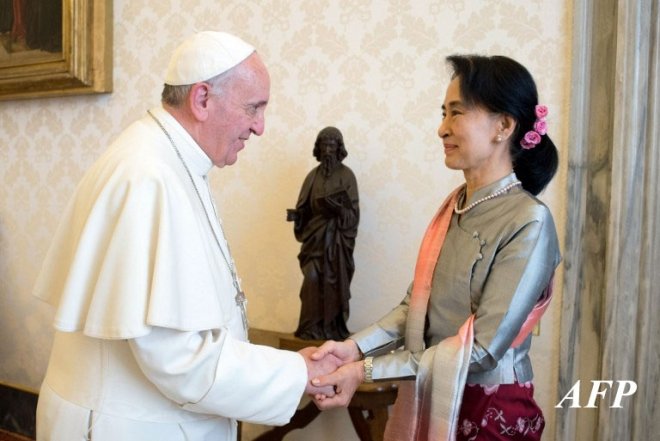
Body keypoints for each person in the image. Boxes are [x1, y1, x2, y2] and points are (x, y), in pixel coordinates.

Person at [33, 31, 340, 441]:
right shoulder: (150, 175)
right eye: (253, 108)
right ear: (202, 99)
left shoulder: (165, 158)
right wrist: (297, 372)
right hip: (123, 427)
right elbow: (178, 359)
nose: (260, 127)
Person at [310, 54, 561, 441]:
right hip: (434, 391)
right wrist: (353, 349)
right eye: (443, 113)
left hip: (491, 410)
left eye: (456, 113)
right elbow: (416, 309)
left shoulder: (529, 220)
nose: (441, 129)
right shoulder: (455, 205)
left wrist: (367, 371)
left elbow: (481, 352)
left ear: (504, 125)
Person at [287, 126, 359, 340]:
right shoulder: (312, 177)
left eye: (332, 145)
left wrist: (340, 210)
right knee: (311, 278)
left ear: (339, 148)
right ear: (318, 148)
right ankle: (310, 329)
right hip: (314, 242)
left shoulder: (347, 176)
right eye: (324, 145)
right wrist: (297, 216)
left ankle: (332, 329)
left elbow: (353, 215)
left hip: (336, 246)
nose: (328, 150)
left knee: (333, 284)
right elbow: (304, 208)